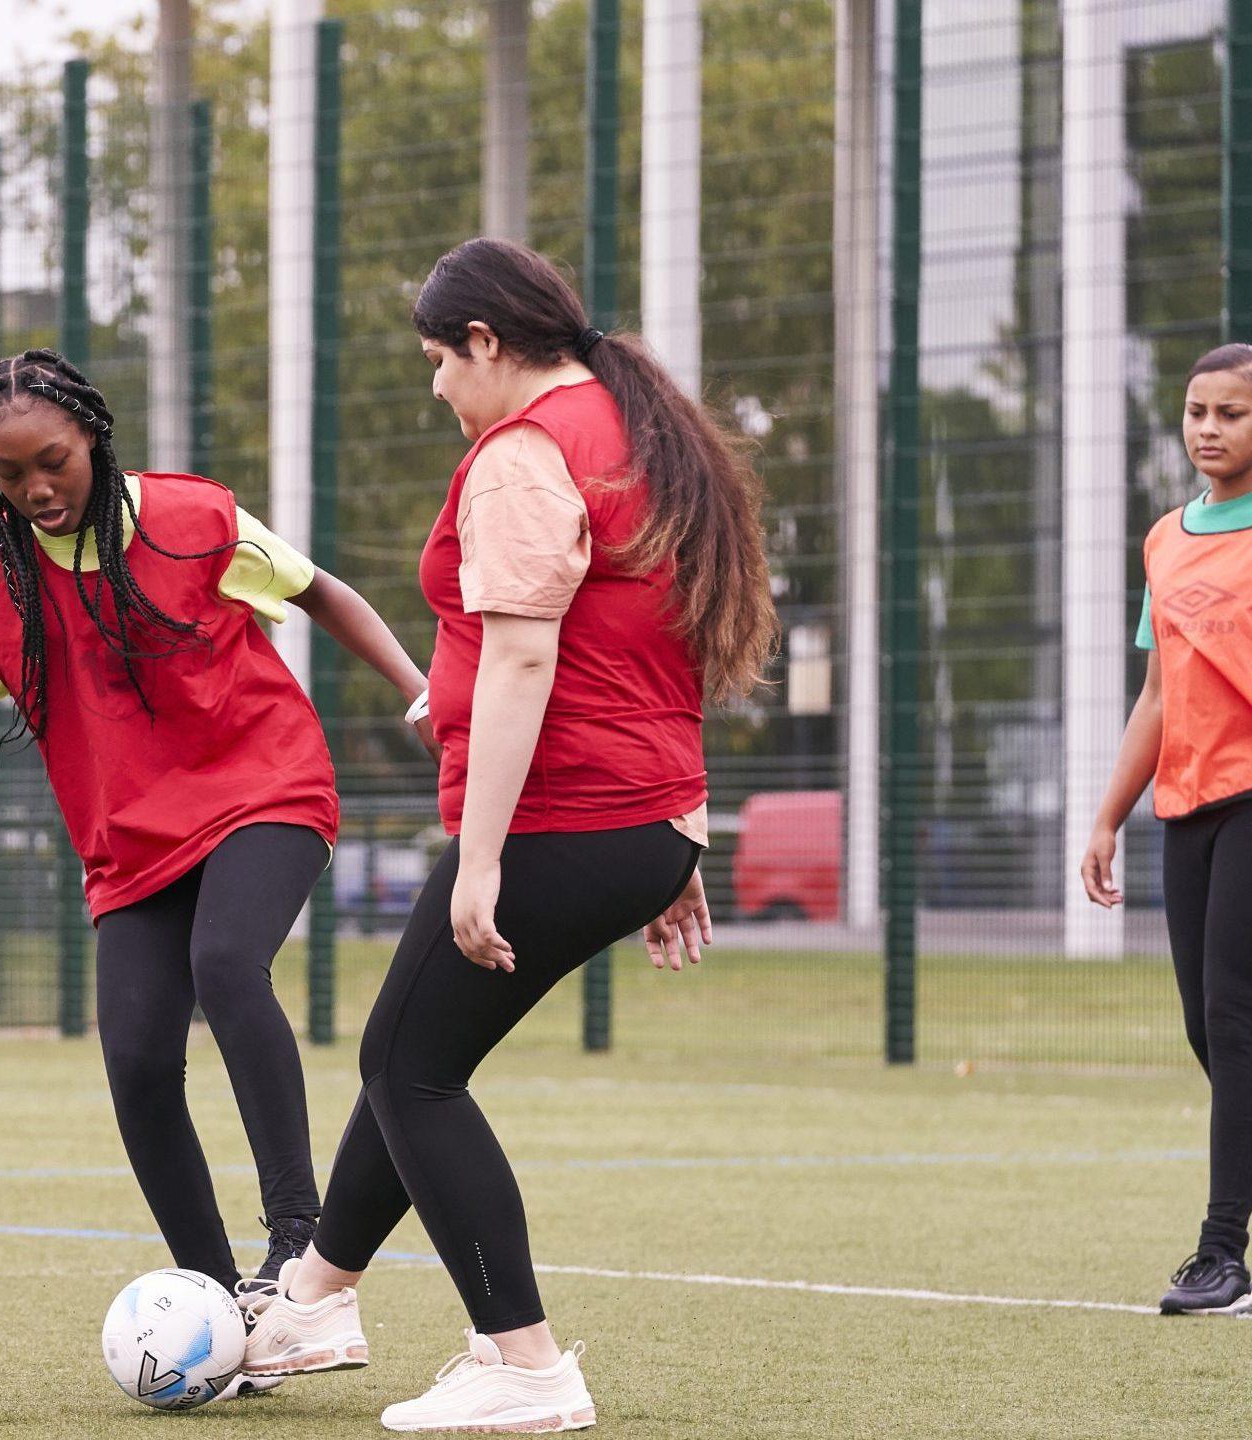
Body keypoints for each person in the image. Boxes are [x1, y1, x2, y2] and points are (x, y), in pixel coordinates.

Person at [0, 349, 431, 1359]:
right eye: (9, 475)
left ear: (92, 435)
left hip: (263, 784)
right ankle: (222, 1307)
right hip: (131, 836)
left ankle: (300, 1259)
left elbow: (322, 591)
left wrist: (417, 691)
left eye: (52, 461)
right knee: (137, 1061)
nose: (37, 489)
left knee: (225, 966)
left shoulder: (190, 521)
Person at [242, 238, 778, 1433]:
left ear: (486, 343)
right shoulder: (633, 427)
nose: (436, 384)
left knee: (407, 1069)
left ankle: (524, 1363)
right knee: (409, 1053)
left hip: (565, 815)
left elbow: (533, 651)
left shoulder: (526, 452)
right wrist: (667, 840)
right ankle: (319, 1299)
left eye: (440, 358)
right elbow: (643, 642)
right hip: (633, 814)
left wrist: (481, 859)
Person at [1080, 341, 1252, 1318]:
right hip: (1183, 808)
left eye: (1228, 413)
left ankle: (1220, 1255)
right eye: (1196, 412)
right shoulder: (1165, 539)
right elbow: (1156, 693)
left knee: (1232, 1020)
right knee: (1207, 1029)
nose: (1207, 430)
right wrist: (1107, 814)